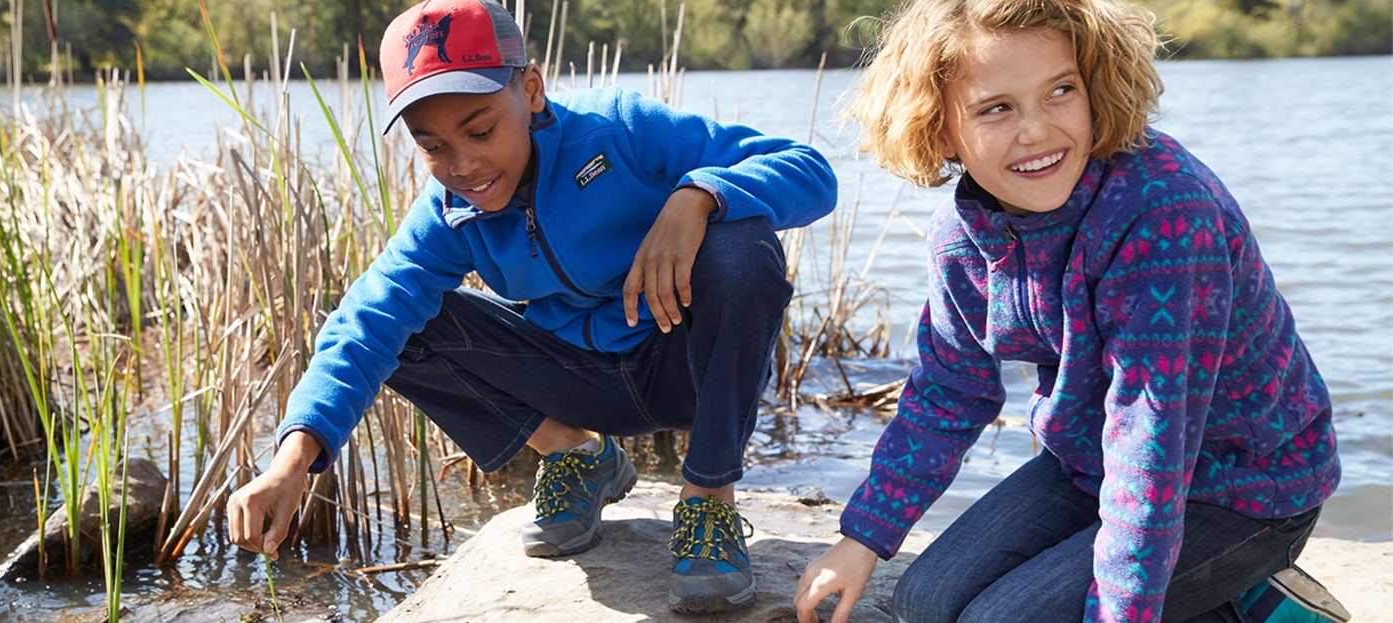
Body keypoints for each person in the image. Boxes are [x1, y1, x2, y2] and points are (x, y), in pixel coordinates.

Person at [226, 0, 838, 613]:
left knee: (743, 244)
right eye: (433, 146)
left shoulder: (619, 129)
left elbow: (810, 170)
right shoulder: (447, 212)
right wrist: (292, 461)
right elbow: (364, 322)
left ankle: (708, 503)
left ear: (531, 89)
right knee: (403, 323)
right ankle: (576, 454)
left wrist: (699, 194)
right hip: (579, 383)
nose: (463, 165)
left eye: (481, 129)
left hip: (685, 368)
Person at [792, 0, 1345, 621]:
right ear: (941, 127)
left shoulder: (1162, 214)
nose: (1036, 131)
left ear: (1095, 83)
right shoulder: (961, 235)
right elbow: (950, 392)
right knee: (924, 601)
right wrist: (863, 536)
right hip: (1097, 461)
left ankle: (1253, 601)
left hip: (1248, 484)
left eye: (1060, 90)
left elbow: (1151, 443)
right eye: (995, 108)